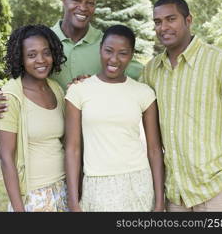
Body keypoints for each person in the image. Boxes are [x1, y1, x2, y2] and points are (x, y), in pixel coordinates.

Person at [140, 0, 222, 212]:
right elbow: (125, 93)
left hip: (217, 190)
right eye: (157, 22)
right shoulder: (151, 70)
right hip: (176, 194)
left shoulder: (220, 61)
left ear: (188, 20)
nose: (163, 27)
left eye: (171, 19)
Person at [0, 0, 143, 116]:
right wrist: (1, 97)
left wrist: (97, 83)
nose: (83, 7)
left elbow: (142, 78)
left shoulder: (107, 47)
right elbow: (20, 80)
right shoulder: (43, 43)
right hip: (52, 137)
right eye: (77, 0)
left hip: (94, 138)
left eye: (90, 3)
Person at [65, 25, 165, 212]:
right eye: (108, 51)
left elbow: (154, 149)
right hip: (97, 185)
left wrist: (159, 201)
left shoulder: (143, 92)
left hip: (138, 182)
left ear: (131, 55)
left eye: (123, 53)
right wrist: (73, 201)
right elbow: (73, 149)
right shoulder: (78, 91)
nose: (114, 59)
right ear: (100, 49)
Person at [0, 24, 69, 212]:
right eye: (31, 55)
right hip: (33, 195)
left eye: (46, 53)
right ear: (20, 59)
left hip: (63, 188)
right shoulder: (10, 96)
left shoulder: (56, 89)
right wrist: (19, 209)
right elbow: (6, 158)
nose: (41, 60)